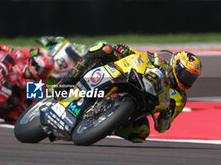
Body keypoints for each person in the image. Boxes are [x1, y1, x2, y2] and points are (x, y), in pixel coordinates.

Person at [57, 41, 202, 143]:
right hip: (129, 80)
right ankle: (64, 84)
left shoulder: (180, 99)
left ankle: (99, 126)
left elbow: (162, 128)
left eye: (192, 78)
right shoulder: (160, 60)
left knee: (141, 133)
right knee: (103, 47)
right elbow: (140, 57)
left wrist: (167, 114)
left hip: (141, 106)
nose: (187, 80)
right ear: (176, 66)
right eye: (186, 75)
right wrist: (126, 51)